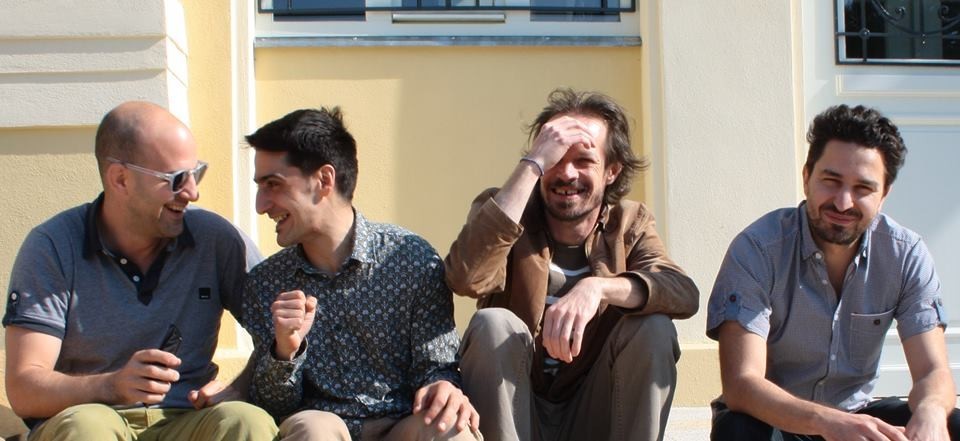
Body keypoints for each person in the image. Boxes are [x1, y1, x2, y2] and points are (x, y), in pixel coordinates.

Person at [3, 101, 279, 440]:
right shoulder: (54, 246)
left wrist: (239, 387)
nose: (193, 192)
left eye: (196, 173)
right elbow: (24, 389)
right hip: (91, 417)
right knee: (87, 427)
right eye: (176, 179)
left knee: (245, 420)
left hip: (188, 417)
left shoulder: (215, 240)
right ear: (120, 179)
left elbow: (282, 335)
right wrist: (111, 386)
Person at [444, 88, 700, 441]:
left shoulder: (629, 223)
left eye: (583, 160)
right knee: (493, 323)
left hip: (594, 412)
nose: (566, 173)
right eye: (554, 158)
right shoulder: (507, 211)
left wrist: (597, 288)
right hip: (517, 412)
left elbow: (681, 292)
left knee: (654, 328)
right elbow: (465, 277)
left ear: (611, 171)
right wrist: (532, 164)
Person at [707, 104, 959, 441]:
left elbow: (932, 371)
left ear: (884, 195)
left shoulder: (905, 253)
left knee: (951, 421)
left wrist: (931, 413)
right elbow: (742, 383)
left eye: (863, 188)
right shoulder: (758, 249)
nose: (843, 202)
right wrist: (828, 424)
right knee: (737, 430)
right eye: (831, 181)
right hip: (776, 419)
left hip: (857, 412)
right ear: (806, 178)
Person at [242, 107, 481, 441]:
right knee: (312, 428)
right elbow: (272, 407)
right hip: (324, 429)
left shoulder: (411, 259)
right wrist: (285, 352)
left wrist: (443, 387)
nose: (261, 205)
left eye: (273, 184)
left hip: (403, 426)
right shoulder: (266, 283)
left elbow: (436, 367)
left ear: (324, 180)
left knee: (451, 428)